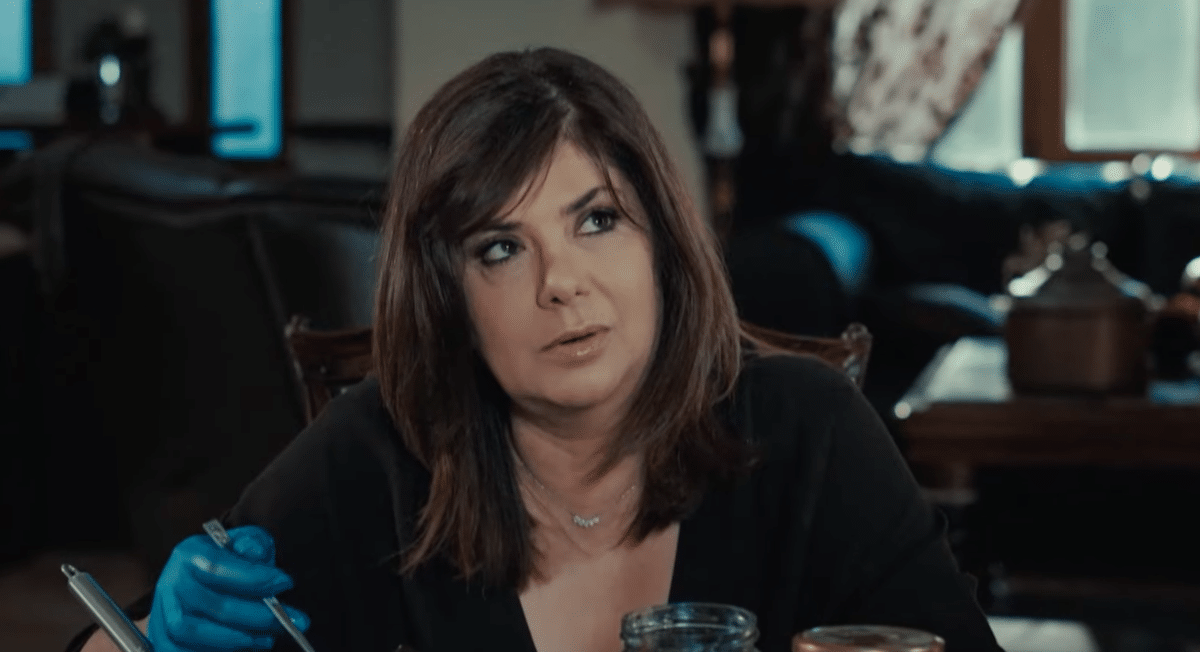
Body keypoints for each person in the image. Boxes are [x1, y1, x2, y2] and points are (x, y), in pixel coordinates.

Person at [73, 47, 1002, 652]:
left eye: (597, 221)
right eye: (500, 249)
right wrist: (153, 638)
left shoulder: (809, 431)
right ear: (449, 298)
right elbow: (117, 639)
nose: (561, 282)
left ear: (661, 244)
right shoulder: (380, 451)